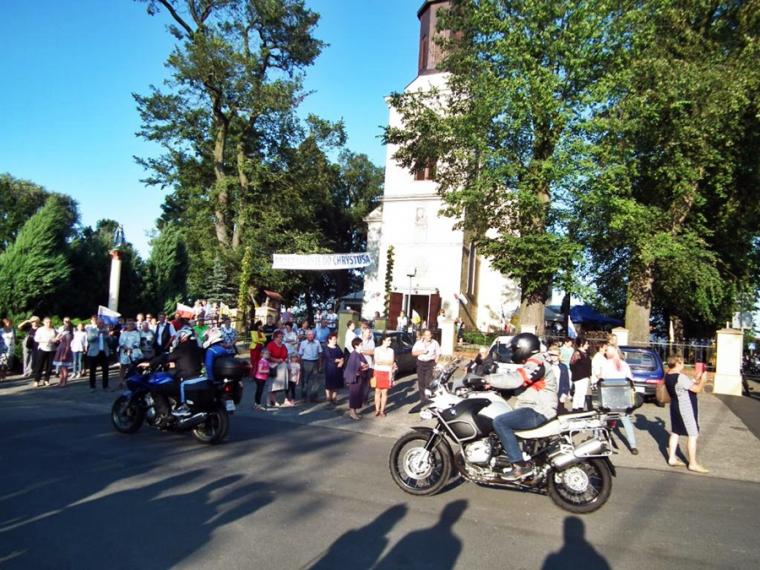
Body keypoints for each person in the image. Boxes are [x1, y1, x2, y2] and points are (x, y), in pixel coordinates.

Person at [489, 333, 559, 479]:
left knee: (500, 422)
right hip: (535, 407)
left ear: (525, 348)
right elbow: (520, 385)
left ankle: (519, 465)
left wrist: (486, 379)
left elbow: (517, 379)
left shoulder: (537, 362)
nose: (513, 353)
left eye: (515, 349)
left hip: (538, 410)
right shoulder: (534, 362)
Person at [665, 355, 709, 473]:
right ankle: (693, 463)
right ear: (678, 363)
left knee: (675, 432)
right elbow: (697, 389)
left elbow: (682, 387)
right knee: (693, 434)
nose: (683, 364)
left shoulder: (668, 375)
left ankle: (672, 458)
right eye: (682, 362)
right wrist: (703, 381)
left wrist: (695, 379)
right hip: (685, 408)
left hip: (674, 406)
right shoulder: (680, 377)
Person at [600, 344, 639, 455]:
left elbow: (602, 379)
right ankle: (633, 446)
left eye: (607, 350)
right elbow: (630, 380)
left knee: (603, 417)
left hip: (609, 395)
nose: (605, 352)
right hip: (622, 396)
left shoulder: (606, 364)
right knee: (626, 420)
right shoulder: (624, 364)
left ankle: (600, 439)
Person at [411, 329, 440, 403]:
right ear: (423, 336)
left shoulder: (434, 343)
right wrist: (422, 351)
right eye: (427, 335)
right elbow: (413, 353)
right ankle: (423, 398)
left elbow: (438, 353)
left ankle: (428, 397)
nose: (429, 336)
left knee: (428, 381)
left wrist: (435, 363)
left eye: (430, 335)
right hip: (421, 363)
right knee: (421, 381)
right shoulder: (418, 343)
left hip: (430, 363)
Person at [343, 337, 369, 421]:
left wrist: (365, 366)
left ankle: (354, 412)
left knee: (358, 395)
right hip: (354, 379)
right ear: (356, 345)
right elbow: (355, 366)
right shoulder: (353, 354)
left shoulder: (360, 354)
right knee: (354, 395)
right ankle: (352, 413)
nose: (362, 345)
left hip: (360, 377)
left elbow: (365, 363)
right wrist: (362, 366)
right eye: (361, 344)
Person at [373, 335, 395, 417]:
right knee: (377, 391)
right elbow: (377, 361)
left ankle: (382, 410)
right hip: (378, 371)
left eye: (390, 340)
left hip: (387, 372)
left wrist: (384, 362)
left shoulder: (391, 350)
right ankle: (377, 409)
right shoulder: (377, 349)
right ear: (383, 341)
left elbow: (391, 362)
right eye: (388, 340)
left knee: (385, 392)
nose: (390, 342)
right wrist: (387, 362)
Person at [265, 331, 289, 408]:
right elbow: (267, 356)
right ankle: (271, 400)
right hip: (272, 366)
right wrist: (276, 360)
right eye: (279, 337)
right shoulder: (270, 345)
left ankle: (272, 400)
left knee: (277, 385)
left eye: (282, 337)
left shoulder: (283, 346)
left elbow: (285, 356)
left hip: (281, 367)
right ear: (275, 337)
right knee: (272, 384)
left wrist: (284, 360)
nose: (281, 338)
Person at [87, 318, 111, 391]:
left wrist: (107, 336)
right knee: (92, 370)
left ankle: (105, 386)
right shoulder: (92, 330)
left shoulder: (106, 331)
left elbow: (110, 342)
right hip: (94, 353)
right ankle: (92, 386)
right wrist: (97, 333)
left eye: (102, 323)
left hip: (104, 352)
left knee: (105, 370)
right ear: (97, 323)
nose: (101, 324)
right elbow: (89, 339)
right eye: (100, 323)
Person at [298, 330, 323, 402]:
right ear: (306, 336)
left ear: (314, 335)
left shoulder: (317, 342)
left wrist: (320, 365)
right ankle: (304, 397)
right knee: (305, 381)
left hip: (315, 362)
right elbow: (300, 355)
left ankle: (313, 397)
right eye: (309, 335)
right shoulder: (303, 343)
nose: (310, 336)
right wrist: (300, 366)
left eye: (312, 335)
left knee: (316, 381)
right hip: (306, 362)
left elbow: (320, 354)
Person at [569, 336, 592, 411]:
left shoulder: (586, 353)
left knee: (583, 393)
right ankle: (575, 407)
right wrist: (577, 372)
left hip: (585, 376)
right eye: (586, 344)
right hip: (578, 376)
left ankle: (580, 407)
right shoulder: (577, 353)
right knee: (578, 392)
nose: (588, 345)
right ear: (582, 344)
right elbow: (571, 364)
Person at [33, 317, 57, 387]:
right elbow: (36, 339)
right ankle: (36, 381)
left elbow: (55, 338)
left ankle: (46, 380)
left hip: (52, 349)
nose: (48, 323)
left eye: (50, 322)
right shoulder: (40, 329)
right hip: (42, 349)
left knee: (49, 366)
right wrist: (46, 341)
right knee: (39, 365)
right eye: (47, 322)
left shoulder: (53, 330)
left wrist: (56, 339)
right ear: (43, 323)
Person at [118, 319, 142, 387]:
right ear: (126, 325)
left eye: (132, 324)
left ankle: (131, 381)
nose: (130, 325)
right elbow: (120, 342)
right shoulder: (123, 333)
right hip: (124, 352)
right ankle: (121, 381)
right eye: (128, 324)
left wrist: (131, 348)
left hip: (133, 351)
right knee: (123, 367)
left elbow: (137, 342)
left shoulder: (136, 333)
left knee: (131, 367)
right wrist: (125, 347)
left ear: (134, 325)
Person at [322, 332, 344, 405]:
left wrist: (341, 361)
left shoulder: (337, 347)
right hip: (330, 368)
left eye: (336, 339)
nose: (335, 340)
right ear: (329, 340)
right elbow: (330, 358)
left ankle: (334, 397)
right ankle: (328, 398)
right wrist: (339, 360)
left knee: (336, 383)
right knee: (329, 383)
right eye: (334, 339)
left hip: (338, 368)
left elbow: (342, 355)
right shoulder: (326, 348)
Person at [52, 322, 74, 387]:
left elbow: (68, 346)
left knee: (64, 368)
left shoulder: (68, 335)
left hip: (64, 351)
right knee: (61, 368)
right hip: (60, 350)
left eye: (67, 326)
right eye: (65, 325)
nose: (65, 327)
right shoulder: (63, 333)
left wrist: (65, 354)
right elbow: (57, 339)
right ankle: (60, 381)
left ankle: (64, 382)